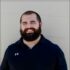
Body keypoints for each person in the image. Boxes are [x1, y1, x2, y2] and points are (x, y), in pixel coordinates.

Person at [1, 10, 67, 70]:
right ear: (20, 26)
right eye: (24, 23)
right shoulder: (11, 50)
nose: (29, 26)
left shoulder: (55, 50)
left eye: (32, 22)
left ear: (40, 24)